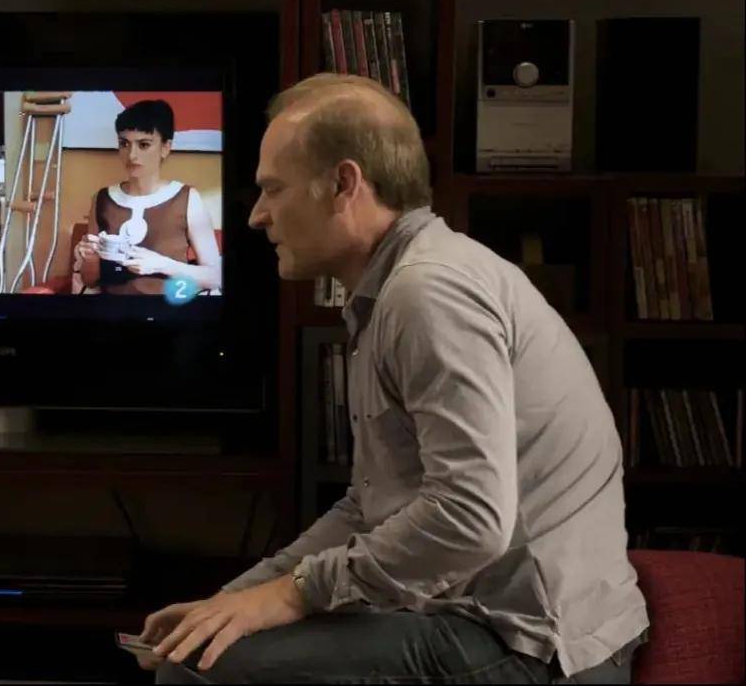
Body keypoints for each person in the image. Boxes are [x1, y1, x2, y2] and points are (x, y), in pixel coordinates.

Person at [137, 74, 649, 684]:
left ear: (343, 184)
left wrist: (292, 595)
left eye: (273, 188)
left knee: (196, 672)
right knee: (204, 644)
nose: (257, 215)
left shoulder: (427, 293)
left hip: (534, 646)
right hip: (474, 616)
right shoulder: (394, 290)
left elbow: (470, 517)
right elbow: (369, 507)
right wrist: (235, 601)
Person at [71, 99, 221, 295]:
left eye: (143, 145)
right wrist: (90, 260)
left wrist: (160, 264)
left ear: (165, 147)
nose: (131, 155)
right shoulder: (102, 199)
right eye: (124, 144)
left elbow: (215, 276)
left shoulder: (187, 198)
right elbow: (90, 280)